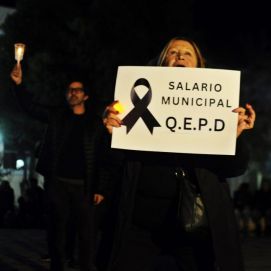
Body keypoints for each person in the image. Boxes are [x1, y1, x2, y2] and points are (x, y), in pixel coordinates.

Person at [102, 37, 256, 271]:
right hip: (140, 224)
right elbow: (114, 164)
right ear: (162, 64)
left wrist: (232, 137)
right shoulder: (132, 103)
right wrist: (110, 134)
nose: (180, 56)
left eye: (187, 53)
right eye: (173, 53)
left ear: (199, 66)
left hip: (196, 226)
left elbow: (235, 169)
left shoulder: (220, 107)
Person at [10, 63, 111, 271]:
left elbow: (103, 156)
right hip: (58, 184)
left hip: (85, 187)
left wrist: (100, 188)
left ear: (86, 96)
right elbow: (31, 108)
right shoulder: (57, 116)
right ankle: (58, 266)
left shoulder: (95, 123)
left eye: (78, 90)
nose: (73, 93)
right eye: (70, 90)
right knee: (57, 231)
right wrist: (18, 85)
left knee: (86, 234)